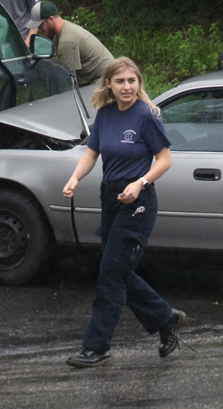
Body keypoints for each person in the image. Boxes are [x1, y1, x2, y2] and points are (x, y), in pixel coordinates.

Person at [62, 57, 185, 369]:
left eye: (132, 81)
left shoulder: (147, 116)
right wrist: (75, 178)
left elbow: (165, 159)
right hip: (111, 198)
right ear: (109, 85)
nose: (127, 87)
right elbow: (92, 153)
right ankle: (165, 317)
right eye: (120, 81)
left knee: (110, 275)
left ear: (138, 83)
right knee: (117, 270)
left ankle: (97, 346)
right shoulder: (104, 114)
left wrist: (140, 182)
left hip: (138, 202)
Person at [27, 0, 115, 86]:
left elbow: (67, 79)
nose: (41, 30)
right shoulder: (62, 32)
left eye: (41, 26)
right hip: (98, 78)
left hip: (105, 79)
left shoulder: (66, 41)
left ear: (51, 19)